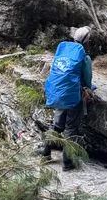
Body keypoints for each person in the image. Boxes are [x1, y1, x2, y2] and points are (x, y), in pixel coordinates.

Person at [38, 26, 94, 171]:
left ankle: (45, 154)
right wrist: (90, 88)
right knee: (71, 128)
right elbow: (87, 80)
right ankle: (67, 163)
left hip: (58, 92)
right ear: (86, 42)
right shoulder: (84, 57)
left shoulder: (64, 52)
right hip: (73, 97)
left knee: (57, 125)